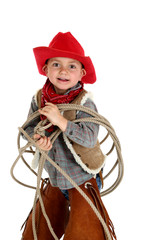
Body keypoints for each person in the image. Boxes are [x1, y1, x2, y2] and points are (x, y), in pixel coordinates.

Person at [22, 32, 116, 240]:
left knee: (85, 233)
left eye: (72, 66)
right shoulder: (39, 99)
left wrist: (61, 121)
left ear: (82, 73)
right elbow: (28, 129)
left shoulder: (84, 103)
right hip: (55, 178)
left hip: (82, 178)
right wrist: (38, 140)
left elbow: (89, 138)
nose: (63, 71)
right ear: (46, 69)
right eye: (56, 64)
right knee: (36, 233)